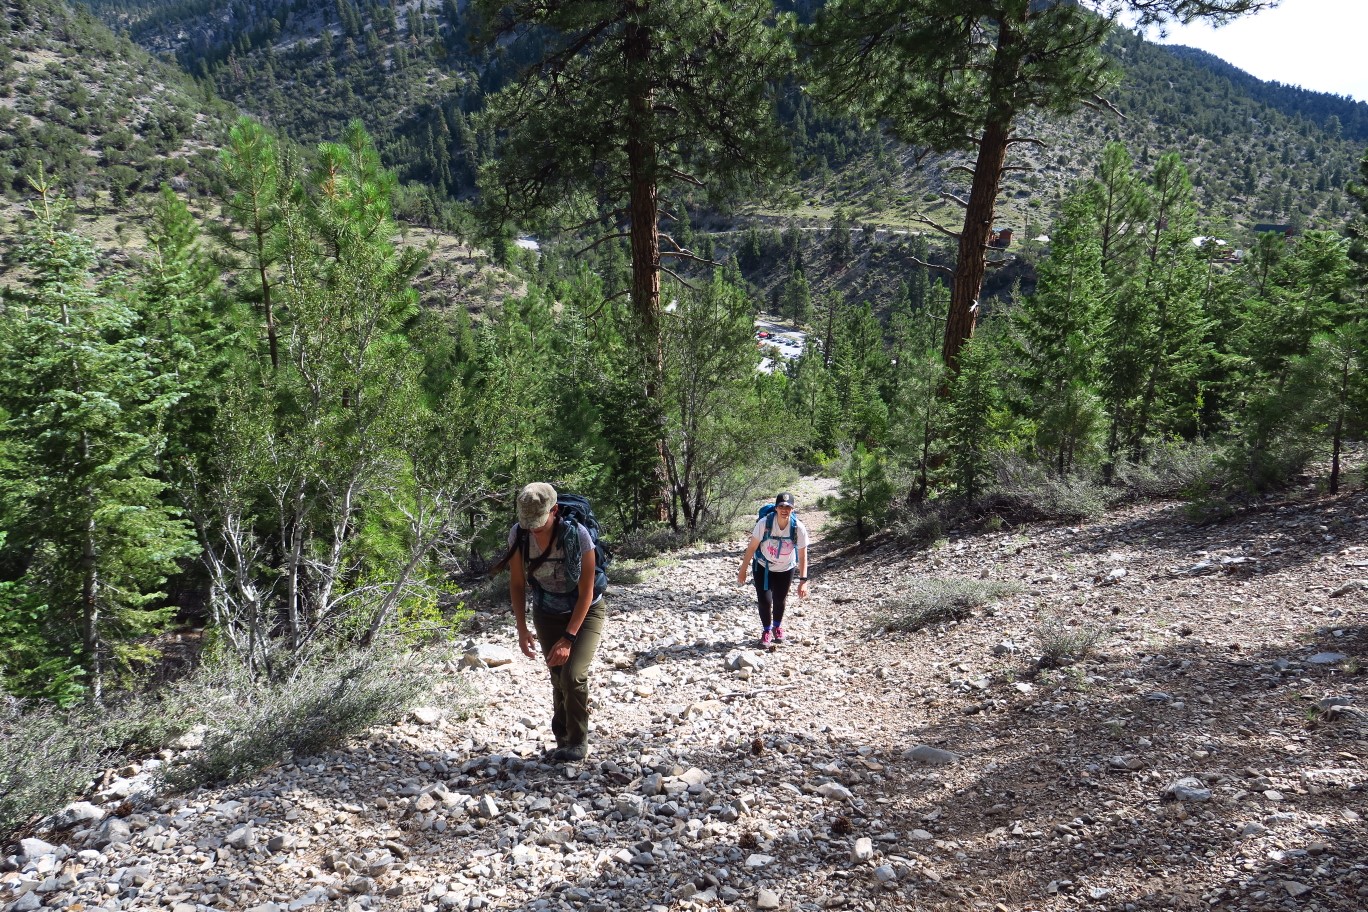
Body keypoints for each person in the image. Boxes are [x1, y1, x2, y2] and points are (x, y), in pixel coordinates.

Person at [507, 482, 605, 762]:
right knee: (556, 676)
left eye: (539, 522)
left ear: (555, 511)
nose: (533, 529)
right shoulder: (519, 535)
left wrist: (569, 638)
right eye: (529, 523)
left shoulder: (578, 535)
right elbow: (516, 583)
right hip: (546, 610)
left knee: (573, 675)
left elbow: (587, 592)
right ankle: (562, 740)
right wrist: (522, 628)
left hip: (586, 611)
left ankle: (578, 742)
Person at [736, 492, 809, 646]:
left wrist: (803, 580)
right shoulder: (764, 523)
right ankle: (766, 631)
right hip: (763, 565)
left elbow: (802, 556)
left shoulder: (798, 528)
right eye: (781, 506)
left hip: (786, 567)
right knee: (765, 600)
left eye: (788, 507)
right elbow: (751, 548)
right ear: (776, 508)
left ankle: (777, 627)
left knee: (780, 599)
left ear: (792, 509)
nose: (784, 509)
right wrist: (743, 570)